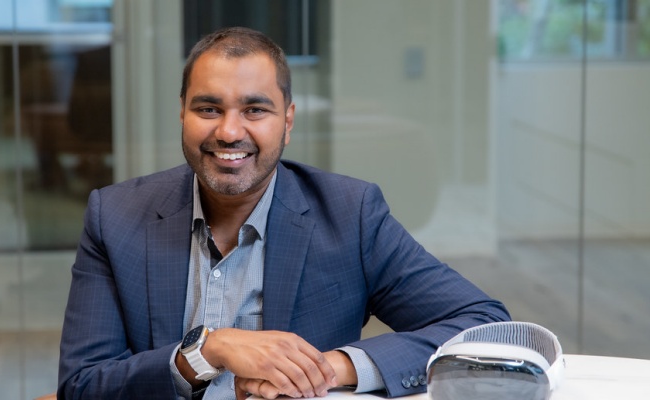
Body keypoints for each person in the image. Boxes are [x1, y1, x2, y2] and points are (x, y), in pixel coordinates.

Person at [58, 26, 510, 400]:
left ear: (288, 121)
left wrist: (330, 368)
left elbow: (485, 327)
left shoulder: (350, 215)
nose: (230, 131)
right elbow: (81, 385)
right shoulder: (114, 216)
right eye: (209, 108)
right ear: (182, 114)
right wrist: (205, 351)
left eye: (255, 109)